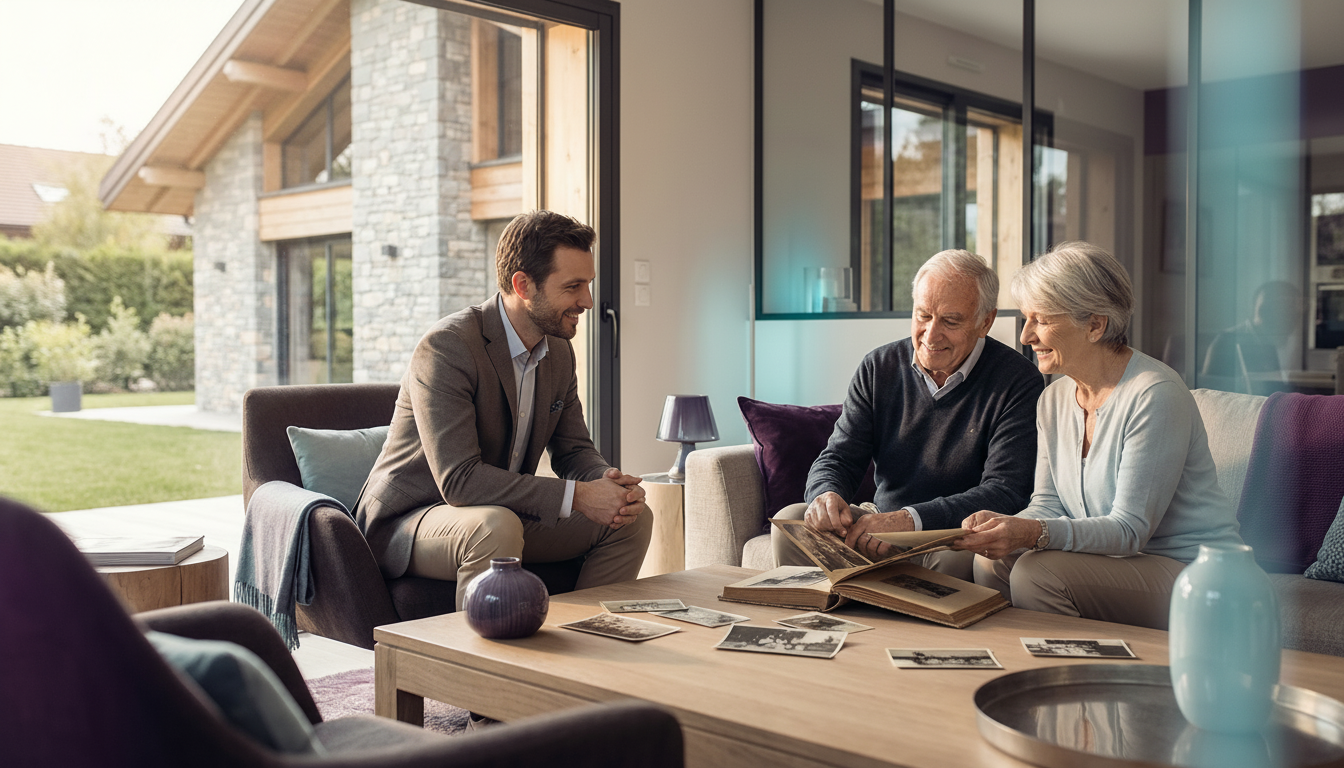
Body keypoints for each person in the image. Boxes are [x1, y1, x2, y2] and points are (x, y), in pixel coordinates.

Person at [355, 210, 652, 609]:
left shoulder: (558, 352)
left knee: (631, 522)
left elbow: (574, 450)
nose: (587, 301)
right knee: (495, 526)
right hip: (413, 520)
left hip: (500, 513)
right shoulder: (446, 347)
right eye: (573, 286)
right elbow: (459, 481)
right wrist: (579, 496)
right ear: (523, 284)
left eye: (588, 284)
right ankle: (475, 667)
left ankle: (584, 645)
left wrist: (607, 484)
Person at [956, 241, 1243, 630]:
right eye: (1026, 319)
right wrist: (1007, 527)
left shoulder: (1154, 393)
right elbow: (1047, 502)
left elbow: (1129, 531)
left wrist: (1031, 532)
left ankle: (1077, 677)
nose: (1026, 336)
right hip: (1120, 562)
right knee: (991, 559)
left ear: (1095, 325)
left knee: (1036, 573)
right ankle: (1020, 670)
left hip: (1195, 571)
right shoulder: (1054, 399)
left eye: (1040, 319)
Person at [772, 250, 1045, 580]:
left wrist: (908, 519)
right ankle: (829, 623)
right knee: (793, 520)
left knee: (953, 562)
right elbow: (839, 458)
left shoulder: (1018, 380)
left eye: (950, 321)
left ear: (985, 321)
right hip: (878, 523)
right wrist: (825, 496)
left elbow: (1005, 490)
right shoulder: (878, 367)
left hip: (950, 535)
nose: (931, 335)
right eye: (923, 316)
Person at [1200, 280, 1303, 395]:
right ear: (1259, 309)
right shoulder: (1226, 341)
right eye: (1272, 308)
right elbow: (1208, 394)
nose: (1291, 319)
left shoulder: (1286, 343)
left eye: (1294, 312)